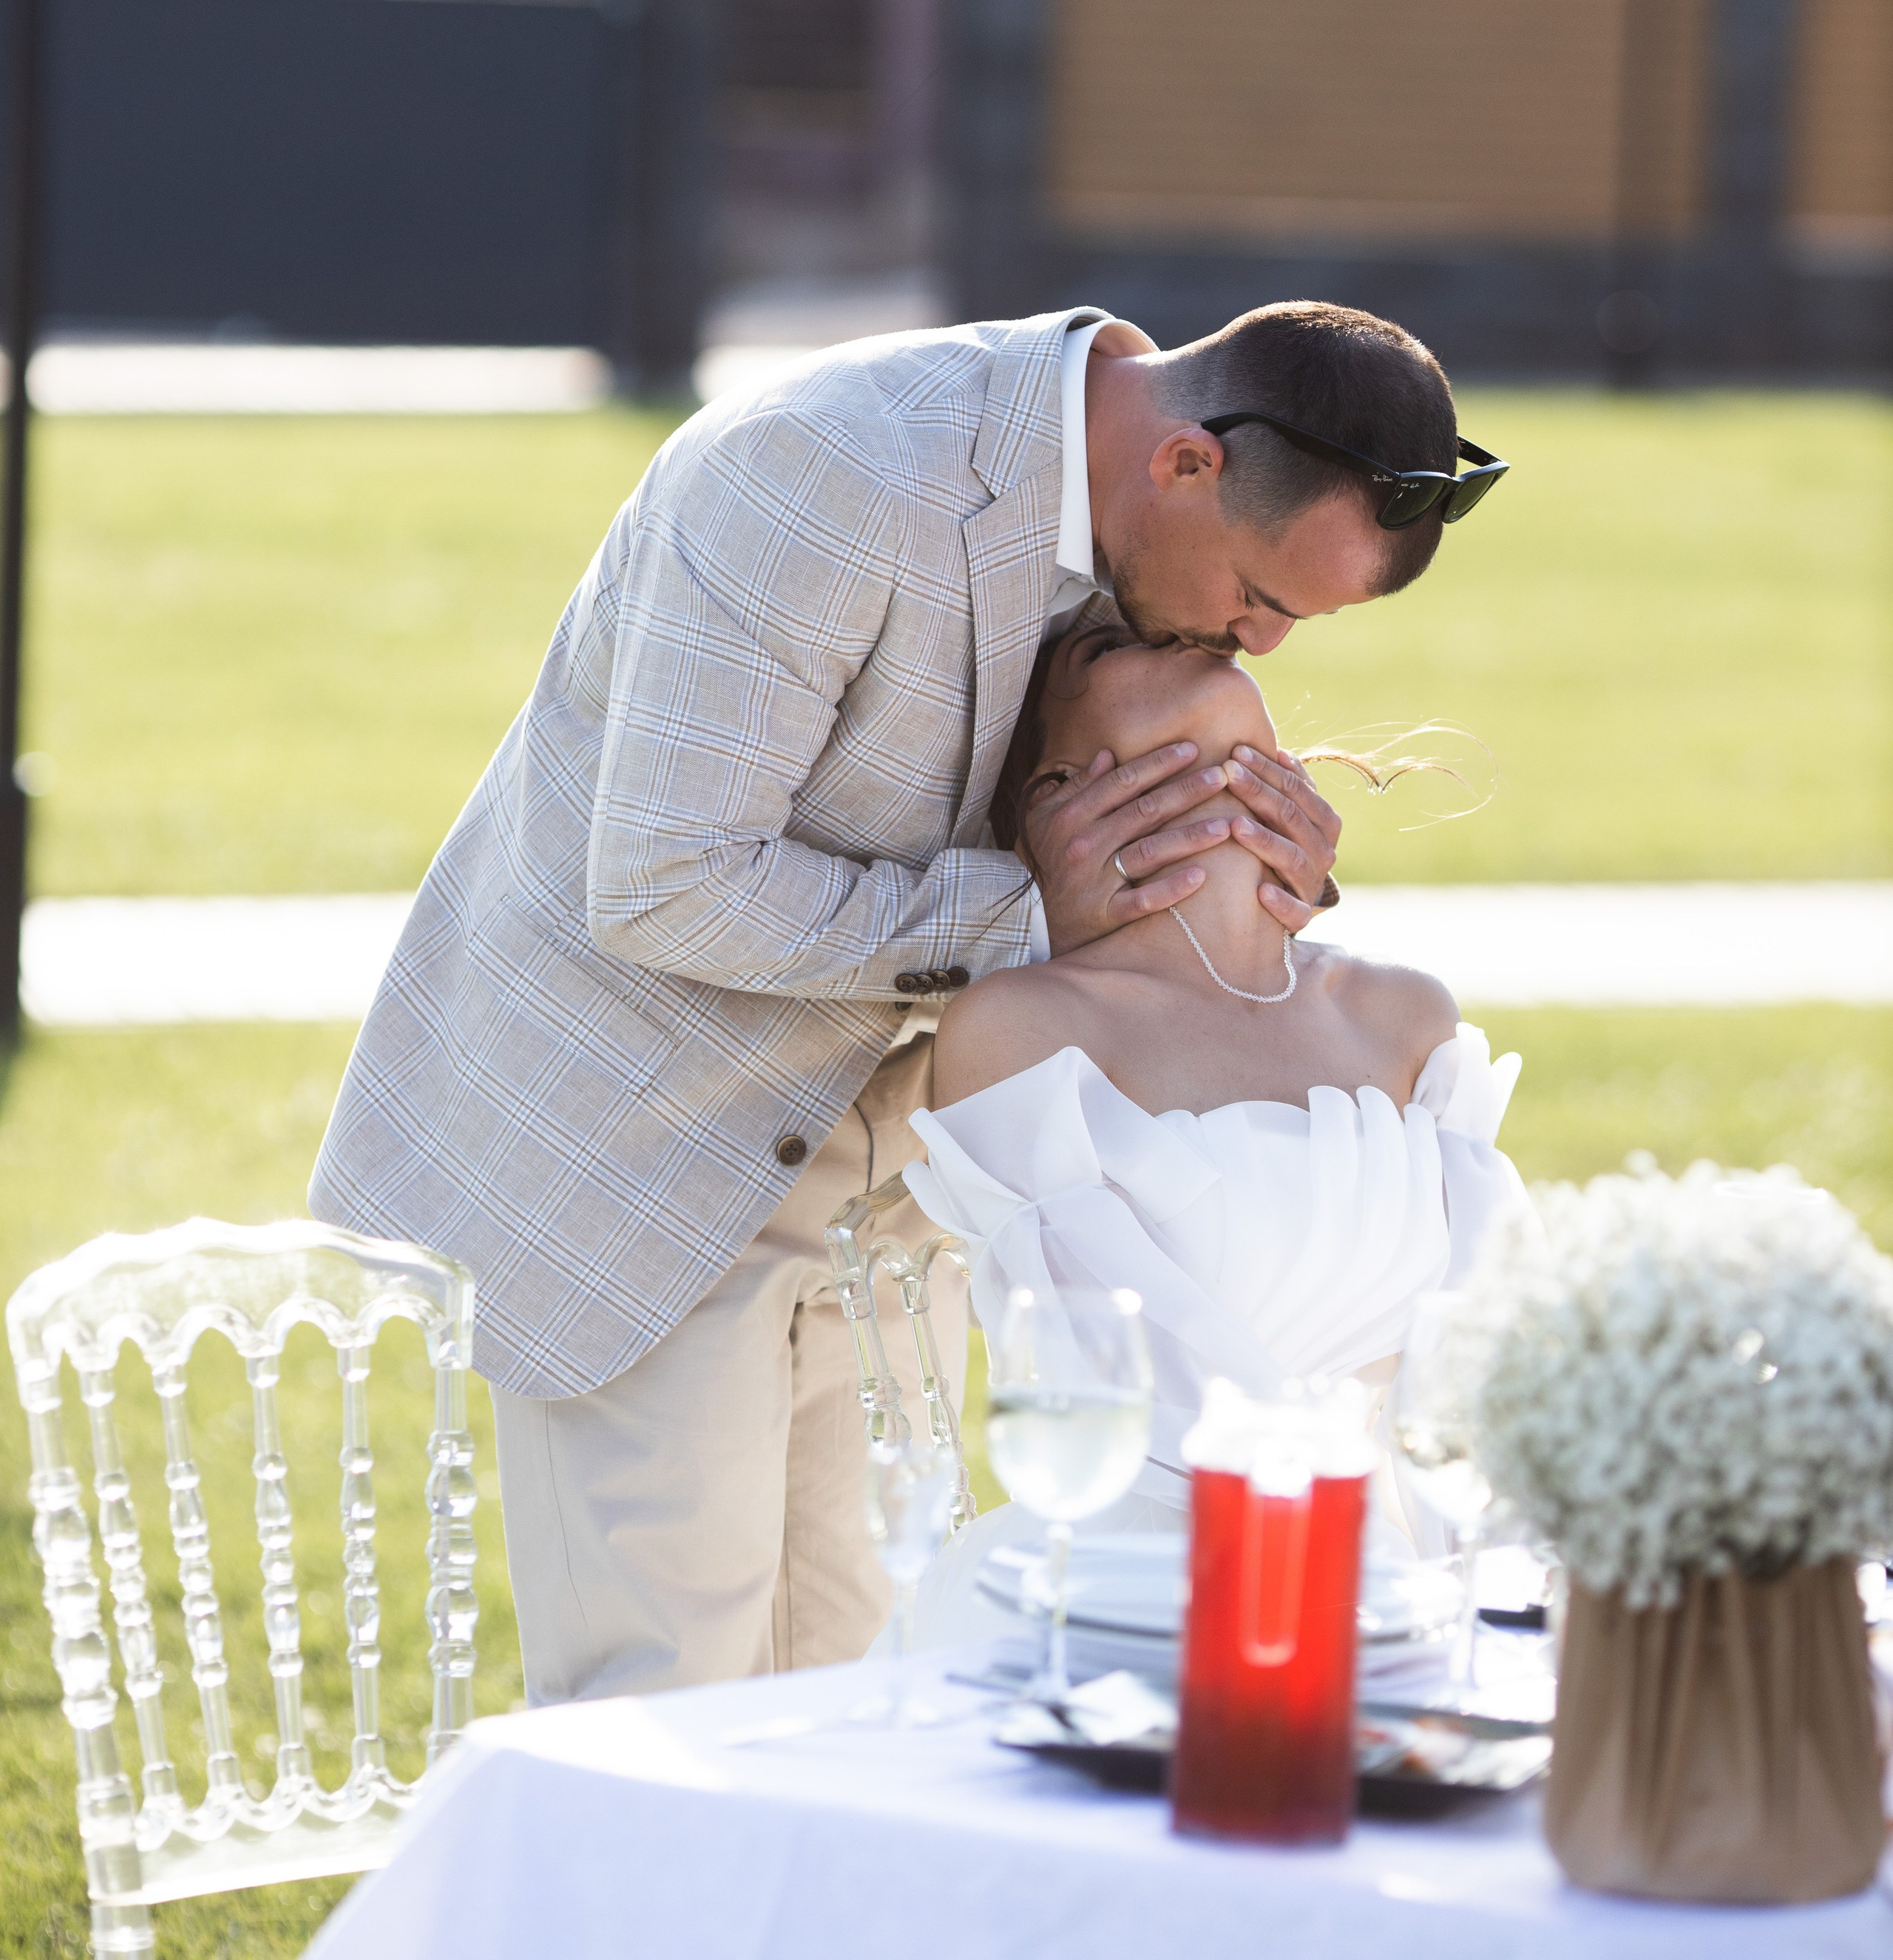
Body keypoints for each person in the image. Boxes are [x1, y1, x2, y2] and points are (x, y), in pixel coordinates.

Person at [309, 296, 1496, 1703]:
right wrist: (1033, 913)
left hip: (902, 1194)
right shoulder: (830, 471)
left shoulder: (1152, 532)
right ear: (1187, 464)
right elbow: (664, 881)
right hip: (648, 1153)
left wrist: (1249, 865)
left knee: (860, 1695)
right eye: (1266, 598)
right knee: (669, 1701)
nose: (1261, 644)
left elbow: (1076, 812)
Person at [898, 615, 1527, 1647]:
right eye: (1094, 650)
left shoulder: (1406, 1015)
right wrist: (1351, 1595)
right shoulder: (1027, 1033)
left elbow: (1493, 1360)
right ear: (1054, 796)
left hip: (1401, 1614)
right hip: (1127, 1619)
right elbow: (1128, 1376)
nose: (1152, 629)